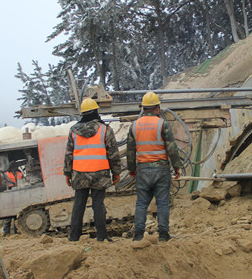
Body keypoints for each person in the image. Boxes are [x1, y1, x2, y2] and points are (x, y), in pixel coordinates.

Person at [126, 91, 182, 242]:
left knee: (142, 203)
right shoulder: (162, 124)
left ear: (143, 108)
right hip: (161, 169)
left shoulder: (134, 126)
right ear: (157, 108)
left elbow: (130, 151)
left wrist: (131, 169)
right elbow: (172, 148)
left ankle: (138, 234)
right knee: (163, 202)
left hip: (143, 170)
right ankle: (163, 234)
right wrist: (177, 167)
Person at [64, 98, 122, 242]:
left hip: (79, 173)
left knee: (79, 204)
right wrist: (116, 172)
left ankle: (74, 237)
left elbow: (68, 154)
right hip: (99, 173)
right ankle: (102, 236)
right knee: (98, 205)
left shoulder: (73, 131)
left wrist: (67, 173)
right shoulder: (105, 130)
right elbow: (113, 154)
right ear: (96, 111)